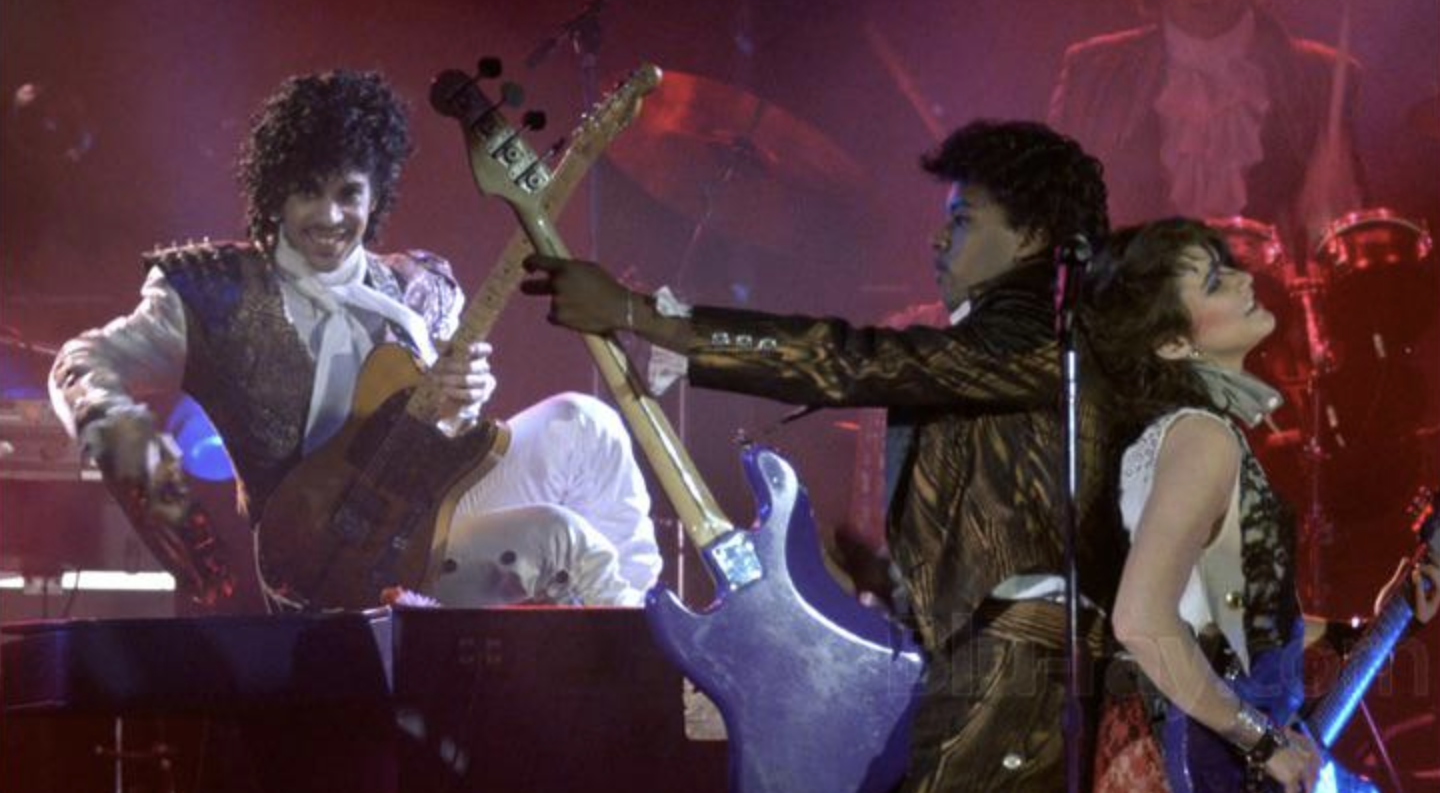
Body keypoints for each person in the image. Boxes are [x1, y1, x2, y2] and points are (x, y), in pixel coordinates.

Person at [523, 119, 1128, 792]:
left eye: (962, 220)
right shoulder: (1016, 343)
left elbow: (850, 360)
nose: (937, 238)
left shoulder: (1037, 336)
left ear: (1033, 236)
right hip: (993, 672)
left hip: (1020, 683)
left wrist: (647, 317)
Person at [48, 70, 660, 611]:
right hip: (327, 561)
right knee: (560, 536)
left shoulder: (419, 288)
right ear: (275, 193)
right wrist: (139, 461)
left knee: (589, 424)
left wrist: (460, 400)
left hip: (429, 509)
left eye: (349, 194)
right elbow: (82, 362)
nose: (331, 216)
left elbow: (445, 436)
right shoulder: (215, 291)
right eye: (309, 192)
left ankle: (657, 632)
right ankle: (645, 674)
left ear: (376, 194)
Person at [1079, 217, 1440, 792]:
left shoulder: (1185, 435)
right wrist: (1264, 740)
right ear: (1173, 342)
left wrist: (1376, 628)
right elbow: (1141, 619)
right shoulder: (1201, 439)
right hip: (1176, 760)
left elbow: (1227, 618)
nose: (1247, 281)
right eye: (1218, 281)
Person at [1048, 0, 1363, 250]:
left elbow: (1379, 251)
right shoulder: (1092, 74)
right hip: (1134, 316)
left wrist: (1341, 228)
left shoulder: (1327, 77)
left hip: (1279, 319)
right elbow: (1049, 225)